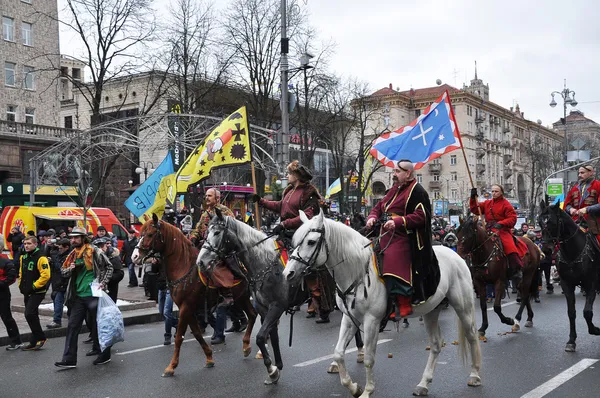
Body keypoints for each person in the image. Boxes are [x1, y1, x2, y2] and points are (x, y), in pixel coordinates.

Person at [253, 160, 331, 323]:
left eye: (289, 174)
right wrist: (260, 201)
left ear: (296, 176)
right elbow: (280, 206)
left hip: (300, 233)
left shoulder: (309, 192)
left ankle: (319, 301)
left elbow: (307, 216)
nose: (287, 176)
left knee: (306, 266)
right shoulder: (289, 190)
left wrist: (284, 223)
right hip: (285, 232)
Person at [366, 159, 439, 318]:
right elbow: (380, 207)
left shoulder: (418, 191)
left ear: (408, 173)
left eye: (397, 172)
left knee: (392, 256)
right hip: (385, 232)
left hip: (404, 235)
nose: (394, 174)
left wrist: (398, 222)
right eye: (394, 171)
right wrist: (372, 217)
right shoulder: (394, 189)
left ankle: (403, 301)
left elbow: (422, 216)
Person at [54, 227, 113, 369]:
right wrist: (71, 268)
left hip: (93, 295)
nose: (73, 240)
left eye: (76, 237)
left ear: (83, 238)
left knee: (98, 325)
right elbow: (63, 271)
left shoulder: (94, 251)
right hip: (78, 296)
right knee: (72, 326)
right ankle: (69, 359)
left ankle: (104, 354)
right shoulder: (72, 255)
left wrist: (103, 283)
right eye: (72, 238)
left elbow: (109, 267)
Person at [470, 184, 528, 284]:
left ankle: (516, 269)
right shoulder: (487, 203)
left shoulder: (506, 204)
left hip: (502, 230)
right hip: (488, 229)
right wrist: (472, 197)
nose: (494, 193)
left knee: (510, 247)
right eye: (492, 191)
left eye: (496, 191)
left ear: (501, 192)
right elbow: (475, 209)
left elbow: (512, 219)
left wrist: (501, 223)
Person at [18, 236, 51, 350]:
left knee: (29, 314)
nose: (26, 245)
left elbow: (46, 275)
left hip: (38, 291)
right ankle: (34, 340)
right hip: (27, 291)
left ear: (35, 244)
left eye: (29, 243)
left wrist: (34, 286)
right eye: (25, 243)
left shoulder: (41, 258)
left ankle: (41, 337)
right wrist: (21, 285)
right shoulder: (24, 257)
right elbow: (21, 272)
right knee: (32, 315)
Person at [564, 165, 600, 242]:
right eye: (579, 173)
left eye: (582, 173)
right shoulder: (574, 188)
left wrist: (587, 209)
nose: (579, 175)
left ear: (591, 173)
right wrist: (570, 209)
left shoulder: (598, 185)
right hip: (575, 222)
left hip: (594, 223)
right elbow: (566, 204)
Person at [46, 238, 72, 329]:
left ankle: (58, 320)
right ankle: (67, 320)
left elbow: (61, 268)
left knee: (62, 302)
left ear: (67, 247)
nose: (59, 250)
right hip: (57, 282)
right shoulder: (59, 255)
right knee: (58, 301)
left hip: (64, 283)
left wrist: (53, 258)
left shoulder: (69, 256)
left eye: (61, 248)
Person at [0, 256, 23, 350]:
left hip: (2, 294)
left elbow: (12, 278)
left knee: (6, 317)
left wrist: (1, 284)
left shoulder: (5, 262)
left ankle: (16, 341)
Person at [94, 238, 124, 303]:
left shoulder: (113, 257)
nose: (100, 249)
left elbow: (120, 273)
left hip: (110, 288)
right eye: (98, 247)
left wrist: (106, 279)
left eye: (102, 246)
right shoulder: (93, 258)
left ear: (106, 246)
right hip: (96, 288)